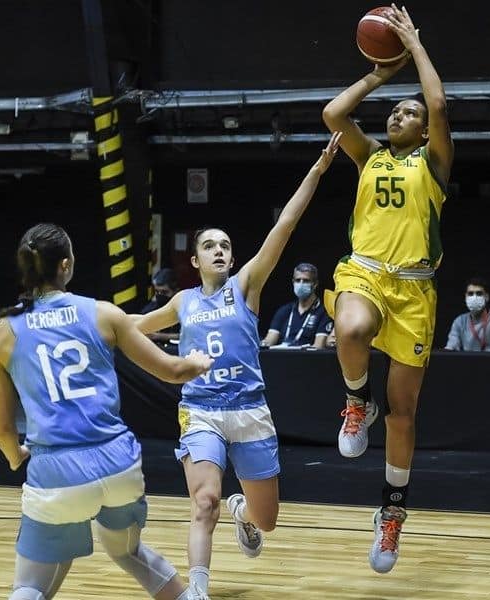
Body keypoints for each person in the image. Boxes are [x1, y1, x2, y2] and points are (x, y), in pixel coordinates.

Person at [133, 133, 342, 599]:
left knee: (267, 519)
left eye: (226, 244)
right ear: (196, 258)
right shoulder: (183, 301)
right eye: (211, 246)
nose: (221, 250)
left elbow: (284, 226)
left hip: (249, 410)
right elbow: (134, 325)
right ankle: (198, 591)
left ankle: (242, 512)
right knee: (203, 500)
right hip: (201, 409)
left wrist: (316, 171)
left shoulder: (246, 284)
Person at [0, 223, 214, 600]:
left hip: (56, 473)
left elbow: (2, 427)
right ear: (65, 265)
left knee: (30, 586)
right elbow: (173, 370)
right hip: (118, 465)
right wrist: (198, 363)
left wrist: (15, 456)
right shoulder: (103, 314)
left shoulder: (2, 333)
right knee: (127, 551)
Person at [321, 4, 453, 574]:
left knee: (402, 415)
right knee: (350, 328)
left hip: (415, 291)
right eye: (395, 110)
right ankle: (355, 401)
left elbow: (440, 103)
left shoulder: (434, 165)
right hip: (365, 272)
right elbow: (333, 112)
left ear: (424, 131)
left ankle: (392, 513)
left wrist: (415, 46)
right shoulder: (369, 157)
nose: (399, 113)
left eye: (409, 112)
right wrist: (380, 73)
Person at [261, 263, 333, 348]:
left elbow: (318, 346)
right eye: (298, 280)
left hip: (308, 359)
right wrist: (261, 344)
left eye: (306, 281)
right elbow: (269, 340)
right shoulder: (284, 310)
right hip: (282, 357)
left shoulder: (324, 311)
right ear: (293, 282)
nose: (301, 284)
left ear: (315, 284)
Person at [443, 278, 490, 352]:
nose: (474, 297)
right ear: (465, 297)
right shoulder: (459, 321)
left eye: (479, 293)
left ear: (486, 297)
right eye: (470, 294)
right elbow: (450, 349)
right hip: (467, 362)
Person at [141, 268, 181, 345]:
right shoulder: (151, 309)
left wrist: (158, 336)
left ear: (176, 291)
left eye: (164, 292)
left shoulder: (185, 309)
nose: (160, 295)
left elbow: (187, 336)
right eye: (157, 291)